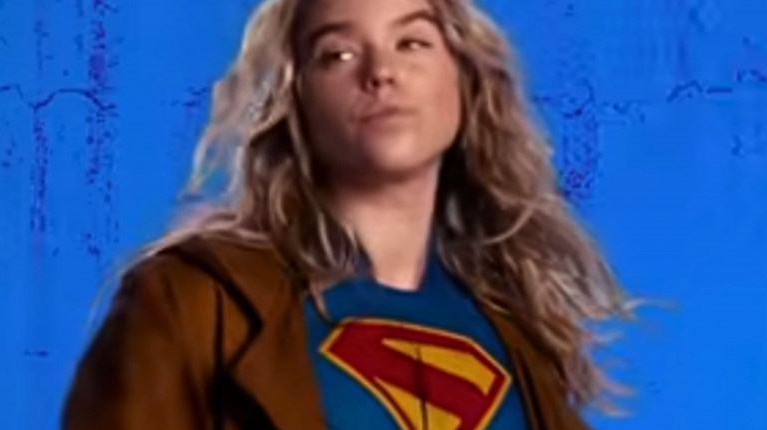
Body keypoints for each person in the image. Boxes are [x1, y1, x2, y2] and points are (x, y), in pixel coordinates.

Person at [62, 0, 634, 428]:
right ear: (296, 100)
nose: (380, 72)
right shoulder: (194, 301)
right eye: (337, 54)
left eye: (412, 42)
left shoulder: (519, 337)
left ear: (466, 79)